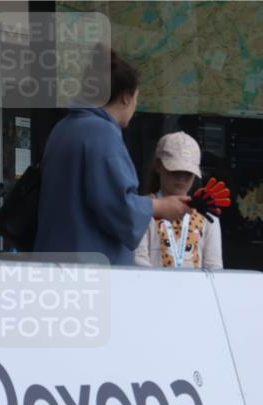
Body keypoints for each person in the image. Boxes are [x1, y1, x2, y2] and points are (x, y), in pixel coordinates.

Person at [35, 50, 190, 264]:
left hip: (55, 257)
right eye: (137, 98)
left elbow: (95, 197)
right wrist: (160, 206)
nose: (136, 107)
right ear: (126, 97)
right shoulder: (102, 134)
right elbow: (118, 208)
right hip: (89, 265)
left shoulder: (64, 127)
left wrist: (143, 204)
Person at [134, 132, 222, 270]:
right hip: (152, 289)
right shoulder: (142, 209)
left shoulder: (207, 215)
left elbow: (214, 268)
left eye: (188, 172)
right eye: (174, 170)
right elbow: (139, 262)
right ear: (158, 166)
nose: (181, 177)